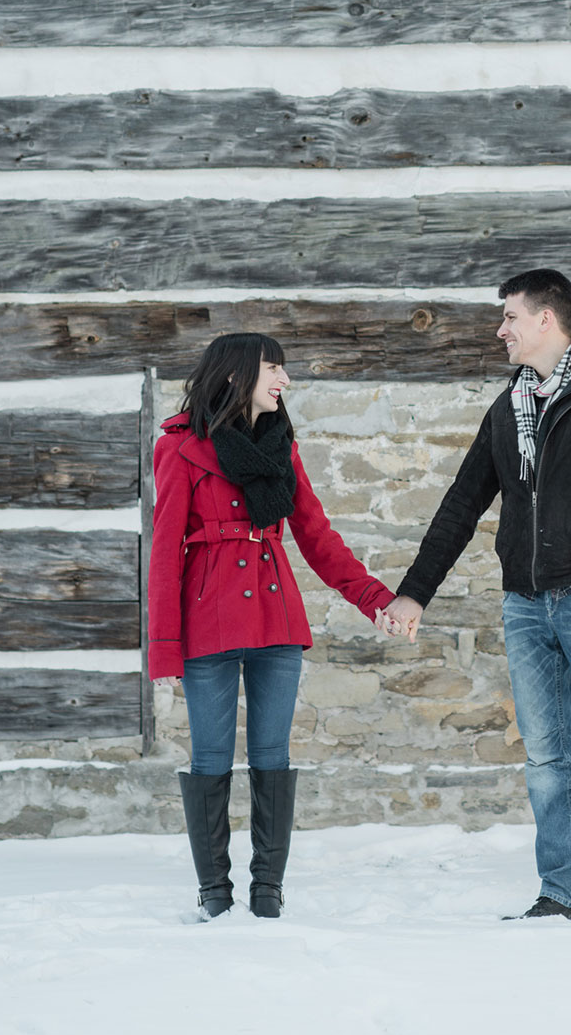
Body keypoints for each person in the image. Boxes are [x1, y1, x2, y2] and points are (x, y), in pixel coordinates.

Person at [385, 269, 571, 924]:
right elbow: (461, 505)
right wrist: (414, 594)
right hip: (526, 607)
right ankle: (562, 892)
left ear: (547, 320)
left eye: (510, 317)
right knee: (548, 759)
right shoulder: (508, 409)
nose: (502, 329)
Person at [147, 332, 400, 920]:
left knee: (272, 754)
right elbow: (163, 556)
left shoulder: (282, 448)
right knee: (210, 757)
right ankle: (214, 891)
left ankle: (267, 890)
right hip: (207, 619)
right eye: (274, 368)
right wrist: (163, 650)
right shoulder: (181, 447)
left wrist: (377, 601)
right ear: (237, 374)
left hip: (275, 617)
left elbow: (318, 538)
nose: (285, 380)